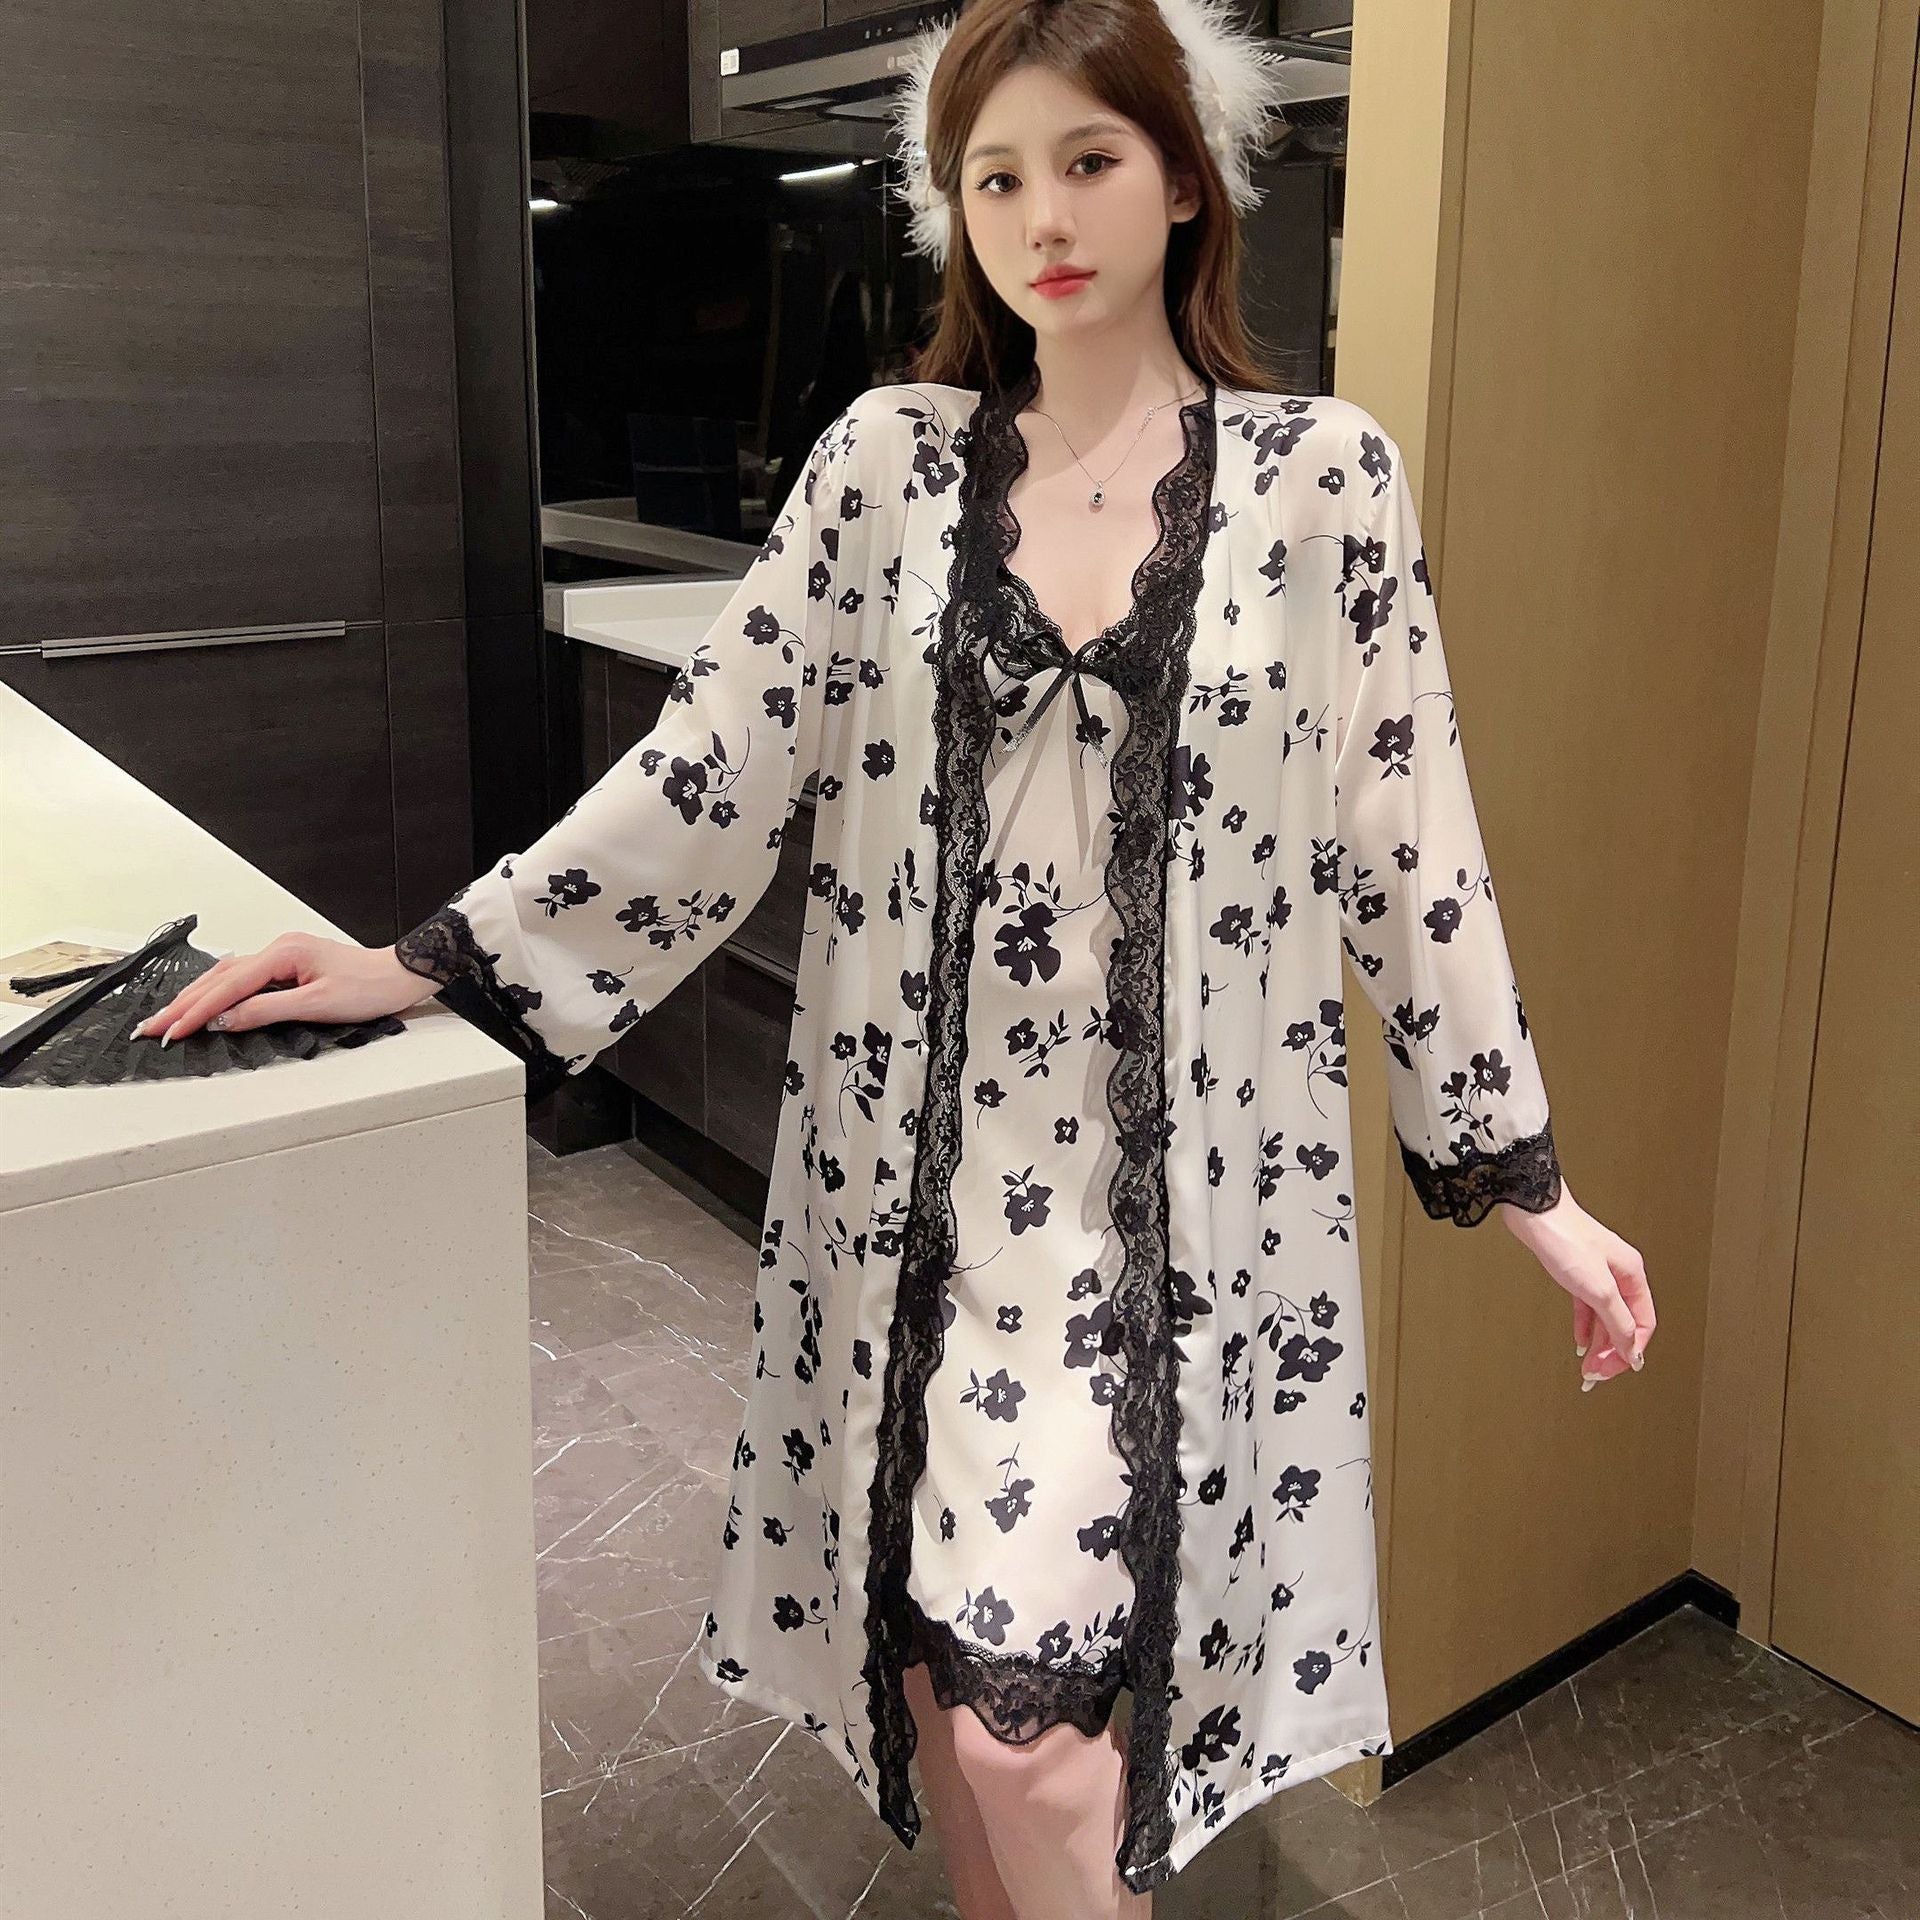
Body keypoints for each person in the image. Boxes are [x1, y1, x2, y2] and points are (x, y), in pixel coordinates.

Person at [133, 1, 1656, 1913]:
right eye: (993, 178)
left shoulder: (1320, 482)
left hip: (1173, 1220)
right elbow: (711, 770)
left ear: (1186, 180)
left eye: (1089, 161)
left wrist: (1528, 1186)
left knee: (1038, 1740)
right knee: (945, 1672)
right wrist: (429, 957)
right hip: (917, 1201)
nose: (1044, 219)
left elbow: (1407, 839)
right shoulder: (888, 467)